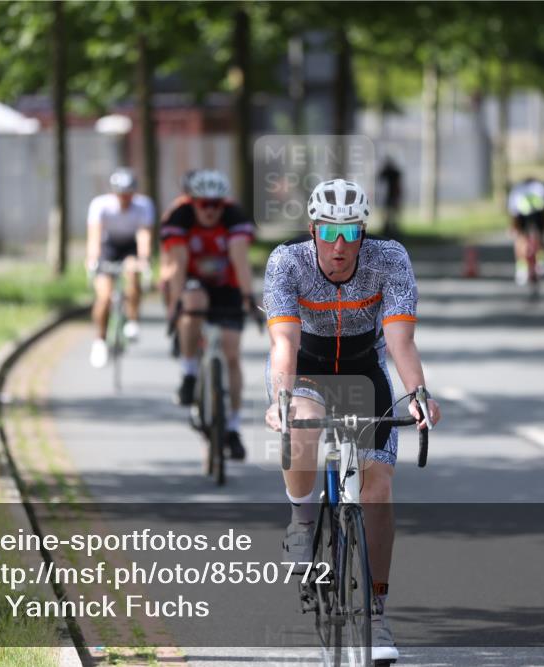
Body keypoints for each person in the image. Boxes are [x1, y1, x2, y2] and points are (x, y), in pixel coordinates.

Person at [262, 178, 442, 661]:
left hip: (365, 369)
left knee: (378, 488)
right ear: (312, 229)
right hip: (306, 368)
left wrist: (418, 393)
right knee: (305, 423)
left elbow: (401, 342)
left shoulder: (390, 259)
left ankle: (376, 614)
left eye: (349, 233)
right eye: (327, 232)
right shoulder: (287, 261)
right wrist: (280, 398)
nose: (338, 246)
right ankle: (302, 519)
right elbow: (284, 345)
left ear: (364, 230)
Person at [161, 169, 257, 460]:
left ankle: (233, 427)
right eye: (205, 204)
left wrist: (247, 297)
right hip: (194, 281)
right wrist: (175, 306)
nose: (211, 211)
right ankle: (189, 372)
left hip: (227, 285)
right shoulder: (179, 217)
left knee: (231, 353)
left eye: (216, 204)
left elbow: (240, 261)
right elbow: (177, 265)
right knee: (192, 302)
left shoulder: (234, 216)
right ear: (193, 202)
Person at [85, 168, 154, 368]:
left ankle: (132, 320)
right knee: (104, 297)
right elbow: (94, 235)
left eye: (129, 195)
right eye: (121, 195)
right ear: (113, 193)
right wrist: (93, 259)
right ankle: (99, 341)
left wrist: (144, 258)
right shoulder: (100, 205)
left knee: (132, 273)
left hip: (130, 247)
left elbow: (144, 235)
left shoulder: (143, 205)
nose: (125, 199)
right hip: (108, 247)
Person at [507, 177, 544, 285]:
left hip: (532, 215)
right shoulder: (539, 188)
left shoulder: (518, 189)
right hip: (528, 215)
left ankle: (526, 267)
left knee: (522, 239)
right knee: (533, 238)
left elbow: (513, 213)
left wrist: (513, 228)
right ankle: (536, 265)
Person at [377, 158, 403, 240]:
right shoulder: (393, 173)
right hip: (390, 196)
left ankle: (393, 229)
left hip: (393, 196)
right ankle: (389, 229)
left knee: (392, 214)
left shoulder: (394, 173)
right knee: (389, 214)